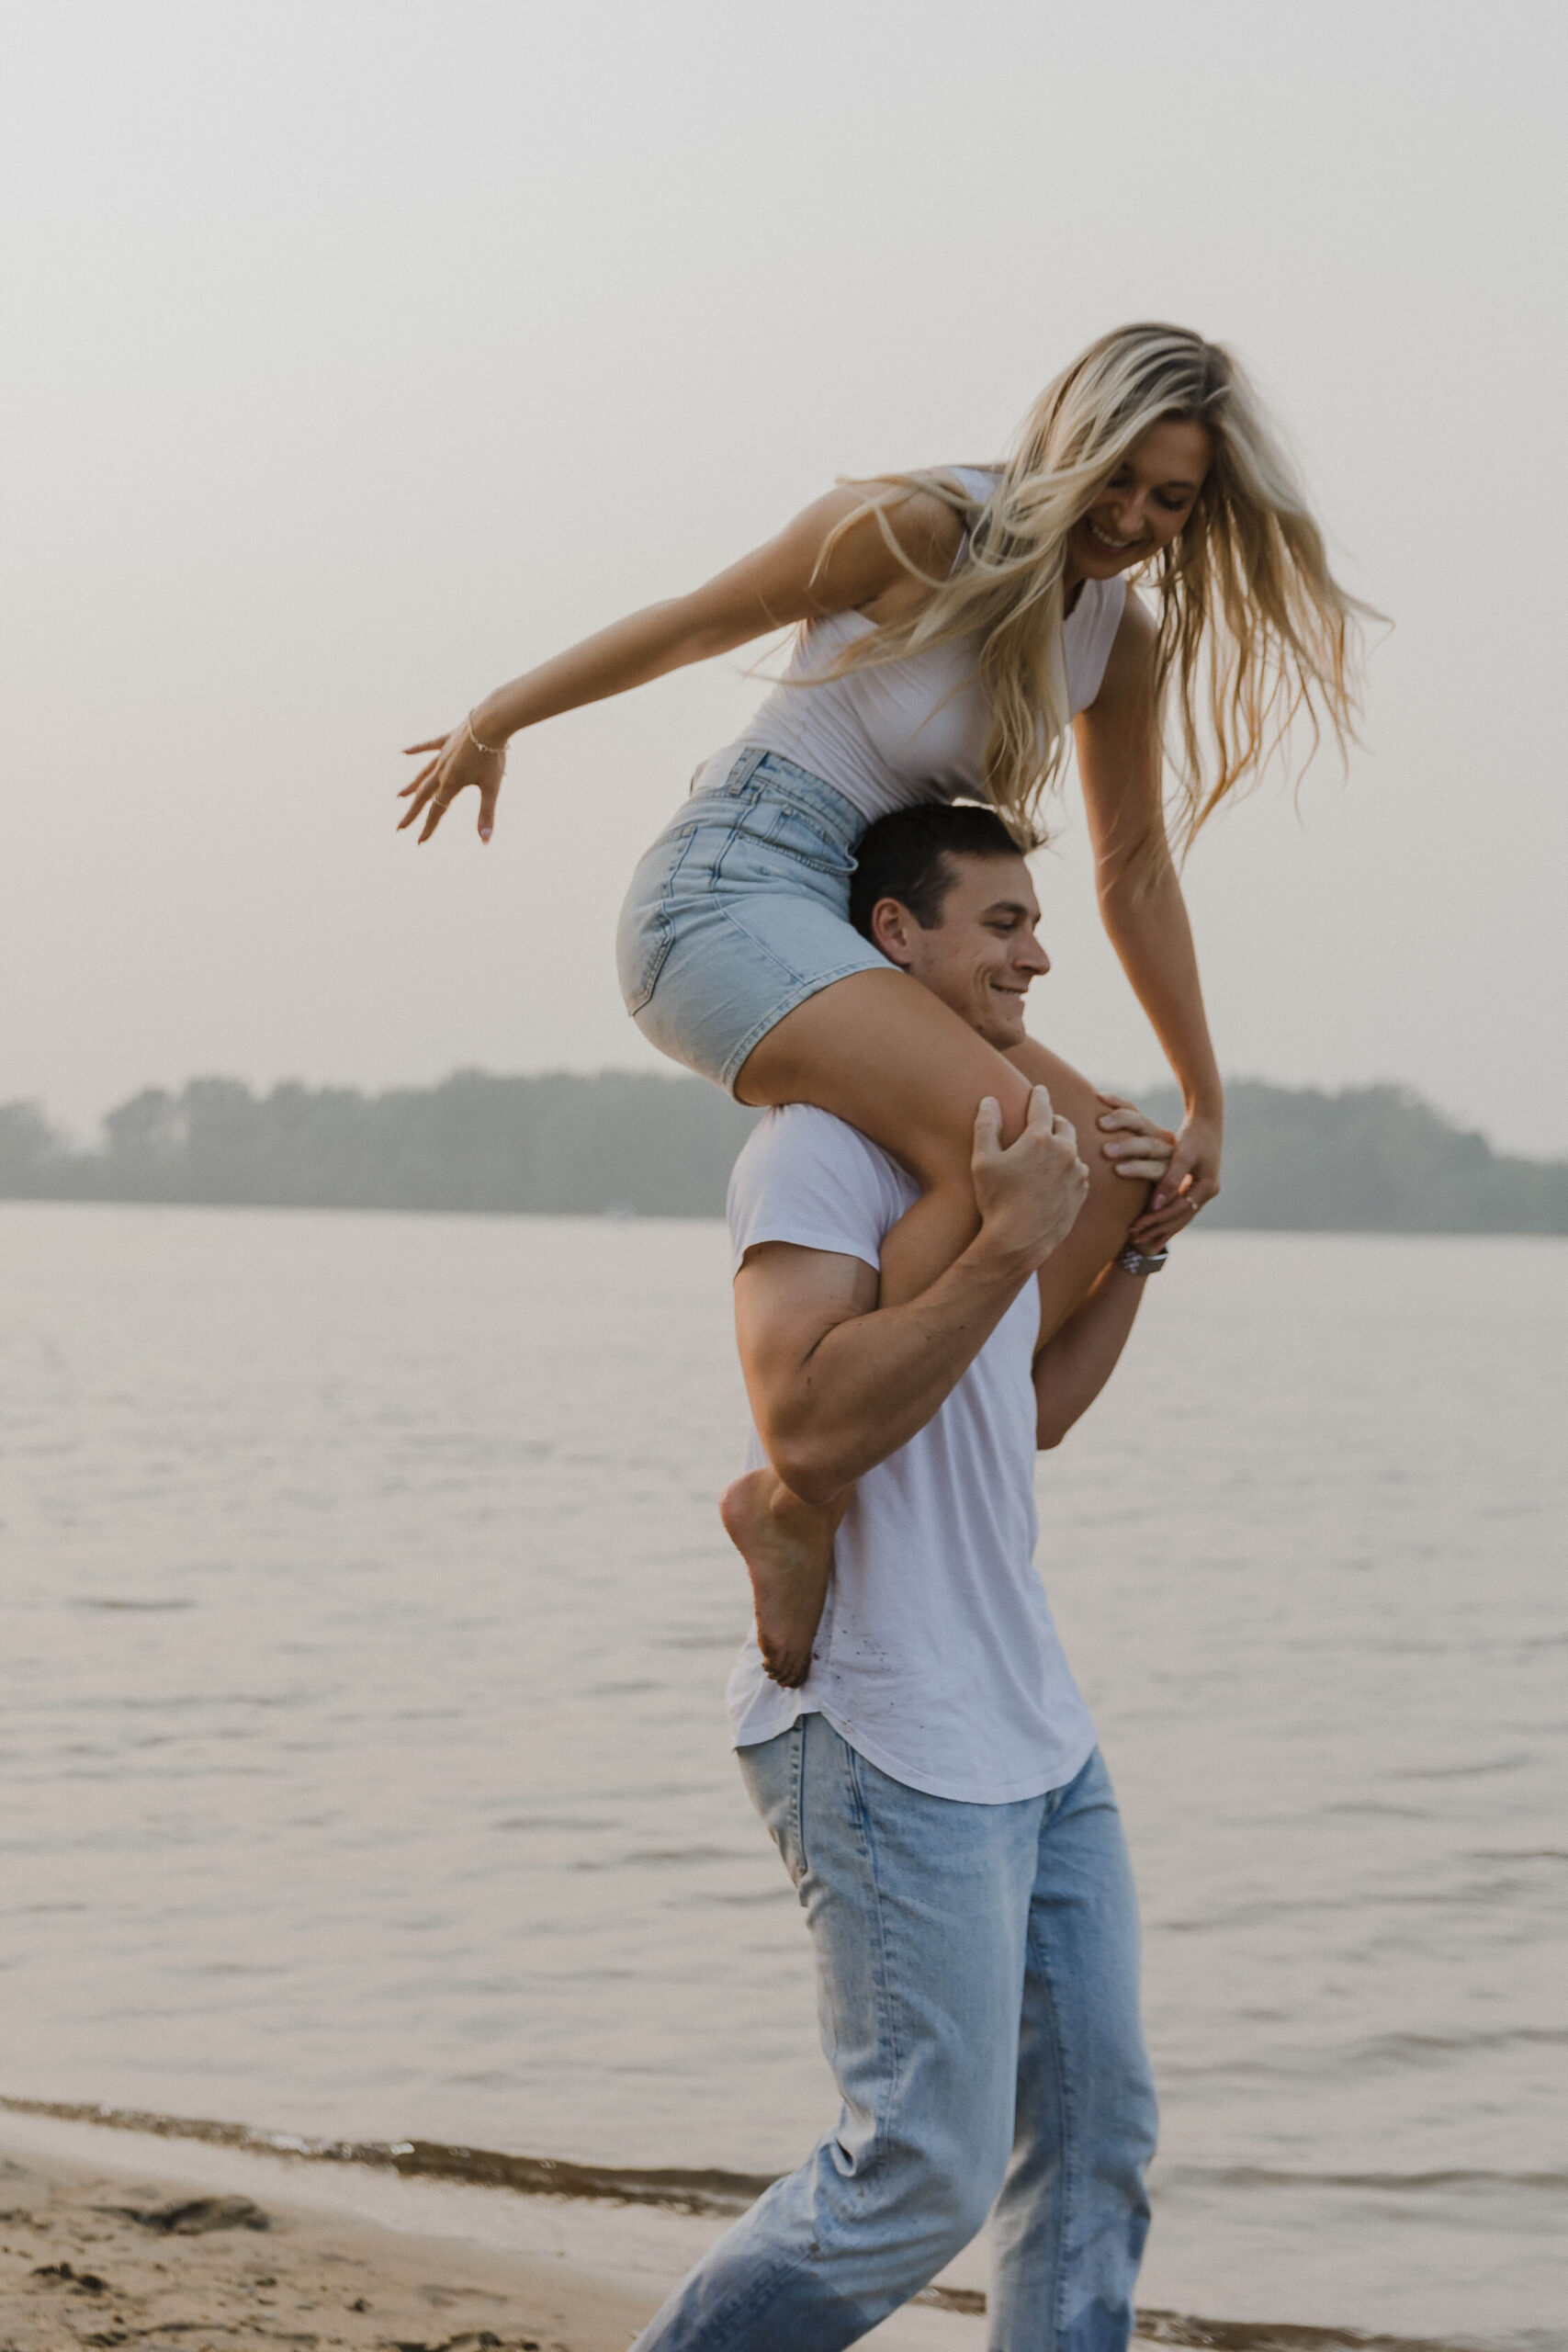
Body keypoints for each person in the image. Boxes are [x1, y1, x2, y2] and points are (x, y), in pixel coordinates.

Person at [398, 322, 1369, 1679]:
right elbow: (698, 622)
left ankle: (929, 1414)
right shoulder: (918, 527)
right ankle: (798, 1494)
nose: (1133, 521)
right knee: (1017, 1140)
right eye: (1120, 480)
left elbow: (1136, 867)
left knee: (1103, 1167)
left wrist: (1205, 1093)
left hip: (861, 922)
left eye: (1172, 501)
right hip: (727, 893)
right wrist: (498, 716)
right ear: (1067, 443)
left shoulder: (1115, 636)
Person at [631, 803, 1174, 2352]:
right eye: (1000, 923)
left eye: (1034, 923)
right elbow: (807, 1427)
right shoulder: (816, 1149)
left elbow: (1030, 1417)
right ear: (894, 940)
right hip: (882, 1729)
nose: (1038, 954)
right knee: (914, 2180)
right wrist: (1006, 1248)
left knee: (1094, 2146)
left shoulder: (993, 1153)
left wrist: (1125, 1257)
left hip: (1035, 1725)